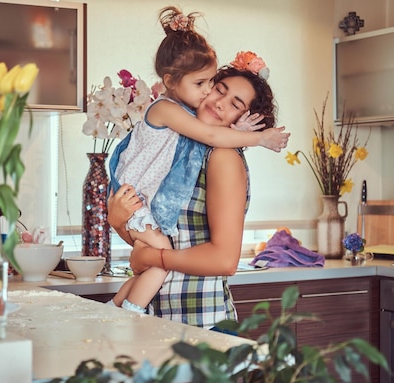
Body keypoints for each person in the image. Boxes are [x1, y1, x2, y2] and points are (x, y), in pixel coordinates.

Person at [108, 6, 289, 314]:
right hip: (163, 315)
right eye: (218, 88)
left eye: (235, 104)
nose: (216, 100)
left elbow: (223, 261)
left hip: (200, 319)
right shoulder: (188, 145)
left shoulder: (222, 157)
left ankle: (117, 312)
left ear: (243, 119)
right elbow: (152, 236)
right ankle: (115, 311)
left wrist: (154, 258)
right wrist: (116, 219)